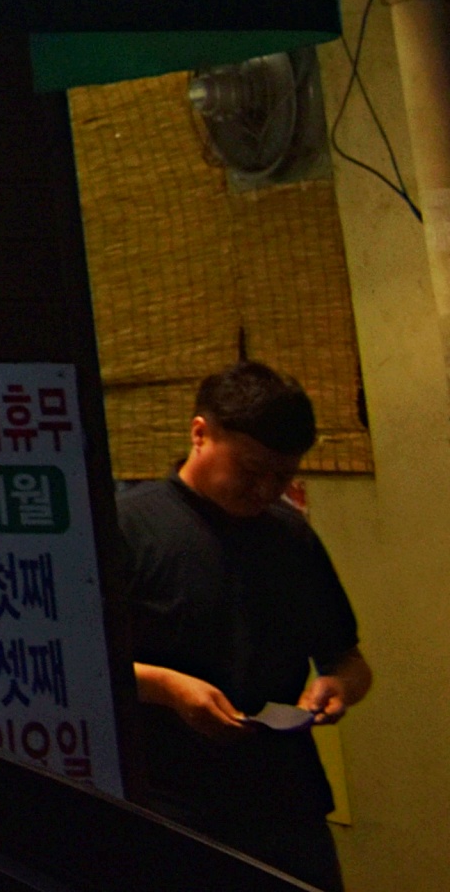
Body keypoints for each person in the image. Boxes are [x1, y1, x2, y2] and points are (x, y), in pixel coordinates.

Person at [119, 361, 371, 888]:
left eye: (281, 476)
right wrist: (167, 687)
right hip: (168, 804)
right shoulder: (129, 526)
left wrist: (338, 686)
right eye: (251, 469)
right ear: (200, 434)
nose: (264, 489)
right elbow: (79, 666)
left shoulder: (290, 536)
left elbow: (348, 659)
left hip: (286, 804)